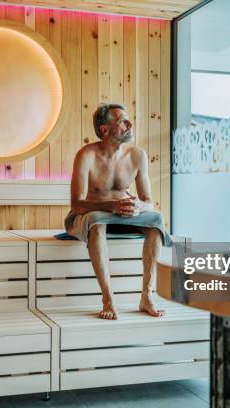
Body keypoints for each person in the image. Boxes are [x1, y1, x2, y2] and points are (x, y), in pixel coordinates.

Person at [64, 103, 172, 320]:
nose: (129, 124)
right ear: (105, 130)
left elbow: (148, 201)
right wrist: (109, 206)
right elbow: (77, 204)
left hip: (124, 215)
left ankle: (147, 296)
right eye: (122, 121)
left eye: (128, 119)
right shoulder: (86, 156)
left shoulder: (137, 155)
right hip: (92, 216)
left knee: (156, 220)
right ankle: (108, 299)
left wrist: (139, 207)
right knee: (97, 222)